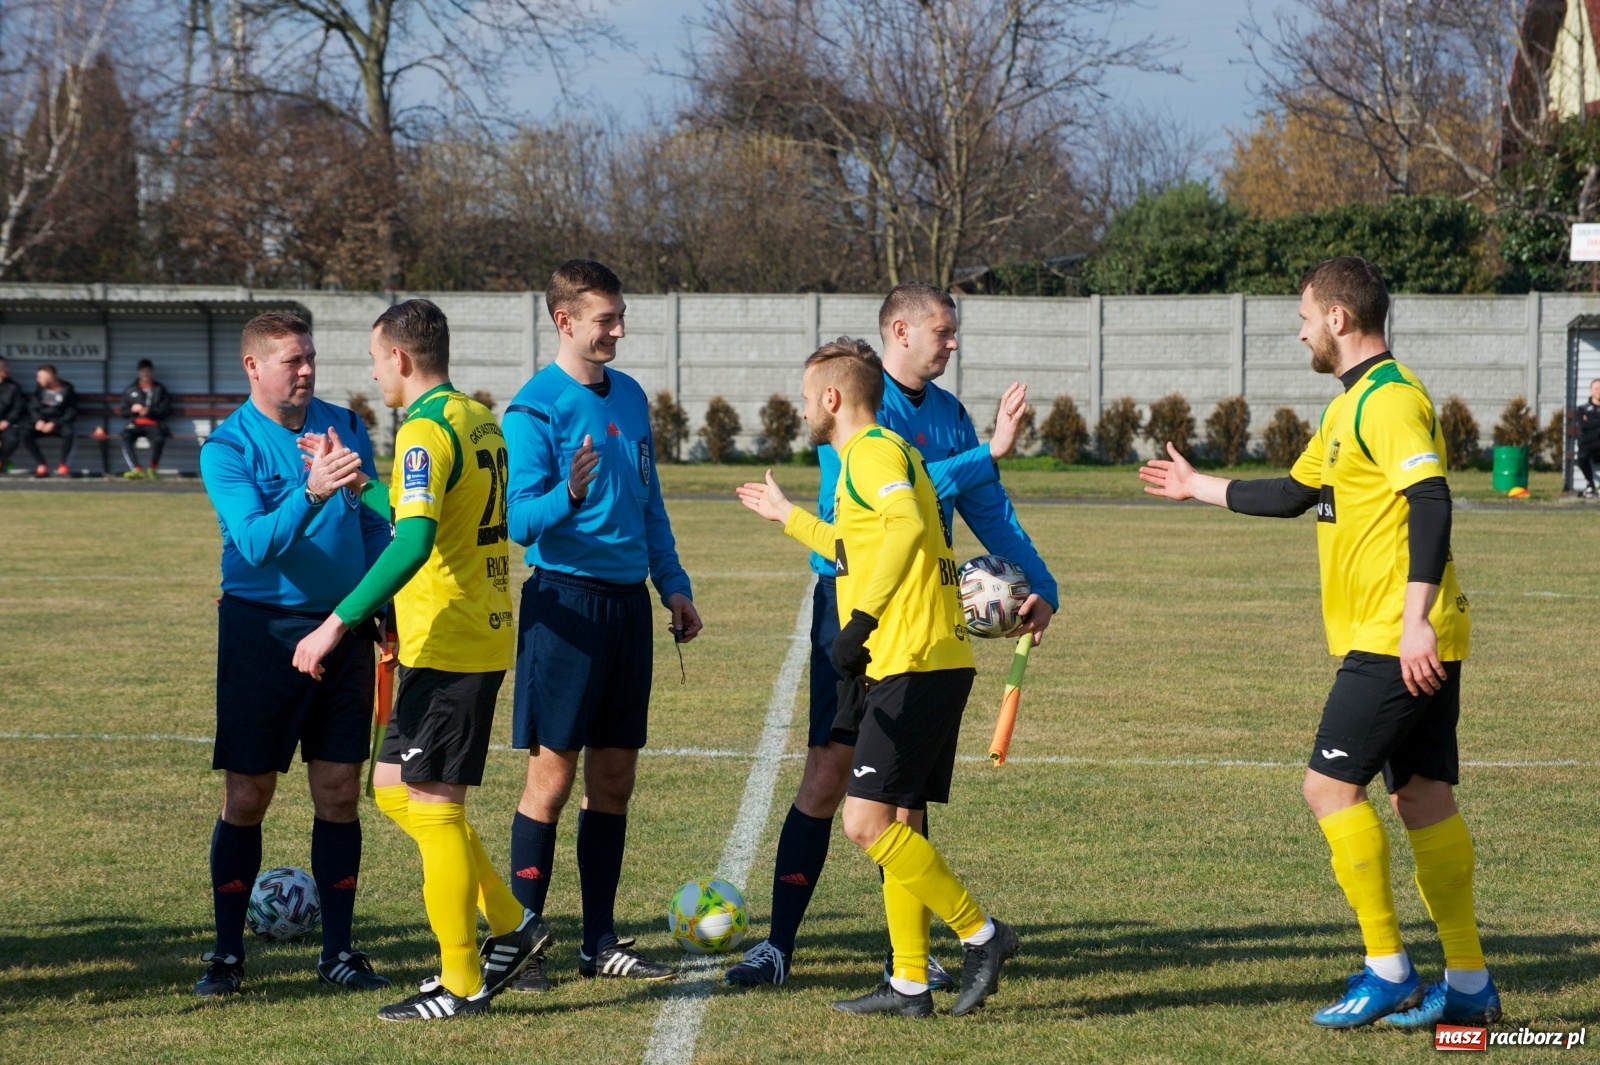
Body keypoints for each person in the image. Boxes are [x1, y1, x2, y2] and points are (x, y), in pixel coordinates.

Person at [1138, 255, 1499, 1030]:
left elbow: (1431, 504)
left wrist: (1411, 622)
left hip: (1394, 637)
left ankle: (1389, 969)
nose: (1299, 330)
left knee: (1328, 788)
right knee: (1422, 796)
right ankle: (1469, 984)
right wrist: (1197, 487)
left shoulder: (1391, 400)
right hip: (1407, 634)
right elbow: (1297, 493)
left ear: (1339, 318)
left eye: (1305, 316)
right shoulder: (1348, 408)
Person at [726, 281, 1056, 991]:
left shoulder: (938, 417)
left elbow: (975, 507)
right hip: (850, 607)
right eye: (944, 330)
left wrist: (1041, 584)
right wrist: (987, 453)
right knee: (829, 775)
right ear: (899, 332)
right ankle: (780, 943)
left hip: (907, 627)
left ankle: (911, 966)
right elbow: (892, 504)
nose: (954, 342)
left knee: (897, 798)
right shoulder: (857, 417)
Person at [292, 298, 547, 1022]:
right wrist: (352, 480)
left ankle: (461, 980)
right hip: (467, 633)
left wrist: (333, 625)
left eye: (375, 360)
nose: (373, 375)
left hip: (452, 639)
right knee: (395, 791)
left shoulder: (422, 433)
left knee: (433, 808)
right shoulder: (474, 418)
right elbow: (424, 511)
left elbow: (410, 543)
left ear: (400, 358)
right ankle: (512, 919)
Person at [501, 259, 701, 990]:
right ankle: (521, 943)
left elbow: (650, 505)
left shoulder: (633, 398)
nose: (617, 330)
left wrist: (672, 586)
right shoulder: (533, 409)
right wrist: (568, 492)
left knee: (614, 778)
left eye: (620, 317)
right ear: (565, 322)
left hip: (626, 608)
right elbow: (519, 520)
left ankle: (599, 940)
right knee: (551, 780)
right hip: (566, 607)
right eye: (605, 319)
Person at [194, 311, 393, 998]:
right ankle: (225, 955)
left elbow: (373, 523)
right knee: (248, 793)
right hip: (262, 634)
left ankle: (338, 951)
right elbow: (253, 543)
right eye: (291, 360)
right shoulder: (226, 448)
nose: (306, 370)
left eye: (310, 357)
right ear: (253, 366)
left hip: (345, 630)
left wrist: (380, 599)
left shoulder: (344, 424)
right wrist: (311, 490)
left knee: (339, 791)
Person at [119, 358, 173, 478]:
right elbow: (123, 412)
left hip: (153, 422)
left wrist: (150, 411)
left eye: (148, 371)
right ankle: (137, 469)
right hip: (136, 422)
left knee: (159, 438)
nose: (146, 374)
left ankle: (153, 468)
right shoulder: (131, 389)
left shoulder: (159, 389)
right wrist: (132, 409)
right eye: (143, 371)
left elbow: (166, 410)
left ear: (152, 372)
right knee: (125, 437)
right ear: (139, 372)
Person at [25, 364, 77, 477]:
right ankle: (41, 464)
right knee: (24, 433)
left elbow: (71, 412)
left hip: (59, 423)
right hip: (42, 422)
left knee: (69, 432)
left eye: (40, 377)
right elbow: (32, 407)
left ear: (50, 377)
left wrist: (55, 423)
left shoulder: (67, 389)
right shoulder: (39, 389)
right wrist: (38, 420)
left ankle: (63, 465)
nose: (38, 380)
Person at [1574, 379, 1600, 497]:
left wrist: (1590, 421)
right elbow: (1583, 425)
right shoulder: (1582, 408)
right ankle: (1591, 483)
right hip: (1587, 442)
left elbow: (1588, 424)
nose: (1598, 391)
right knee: (1582, 457)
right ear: (1591, 390)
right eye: (1596, 388)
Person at [0, 356, 25, 472]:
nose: (7, 369)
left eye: (7, 367)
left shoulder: (13, 387)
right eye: (4, 367)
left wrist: (7, 421)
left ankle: (2, 460)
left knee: (12, 439)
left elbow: (17, 408)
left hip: (6, 423)